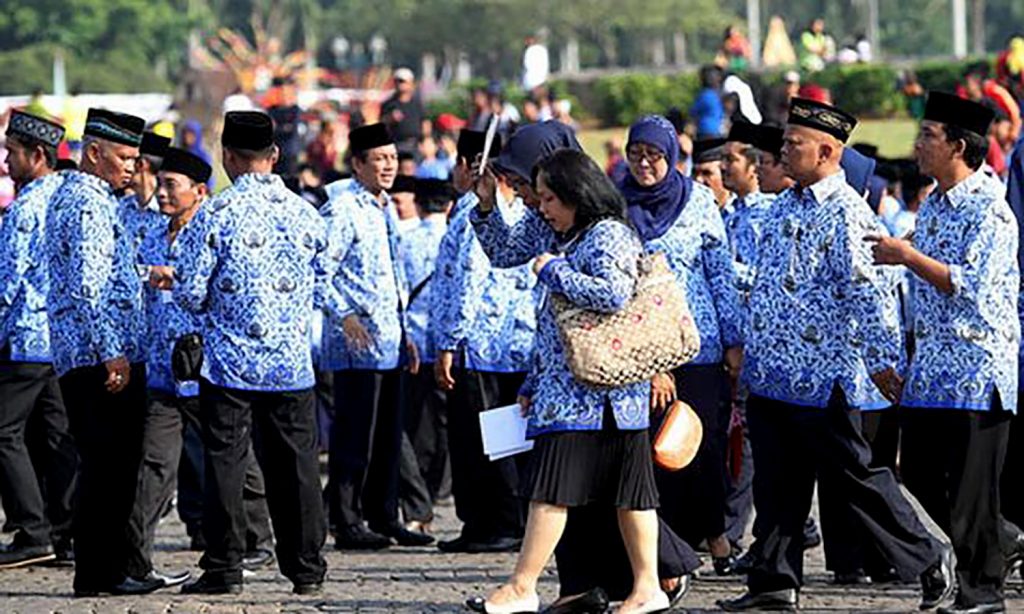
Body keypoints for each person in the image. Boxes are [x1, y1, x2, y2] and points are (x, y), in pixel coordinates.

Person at [717, 99, 955, 612]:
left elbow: (869, 294)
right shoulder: (782, 205)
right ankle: (774, 582)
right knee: (777, 485)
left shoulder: (848, 213)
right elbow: (768, 281)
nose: (783, 151)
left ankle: (928, 555)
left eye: (793, 144)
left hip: (824, 374)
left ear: (826, 152)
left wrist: (884, 361)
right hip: (773, 371)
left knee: (855, 478)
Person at [468, 147, 668, 614]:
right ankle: (644, 587)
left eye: (548, 199)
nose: (542, 209)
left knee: (565, 491)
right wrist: (486, 205)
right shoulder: (568, 234)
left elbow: (613, 294)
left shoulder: (608, 235)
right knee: (619, 496)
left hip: (597, 395)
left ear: (575, 194)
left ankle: (526, 586)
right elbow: (505, 253)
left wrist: (554, 271)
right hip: (575, 392)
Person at [869, 92, 1020, 614]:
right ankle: (1002, 538)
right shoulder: (934, 203)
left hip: (977, 369)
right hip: (932, 367)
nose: (917, 145)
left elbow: (973, 286)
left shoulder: (991, 210)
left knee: (973, 490)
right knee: (919, 473)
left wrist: (908, 256)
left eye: (928, 136)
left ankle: (983, 592)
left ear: (958, 146)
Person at [172, 111, 328, 595]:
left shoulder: (215, 213)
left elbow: (189, 293)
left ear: (227, 157)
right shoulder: (306, 213)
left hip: (229, 364)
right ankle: (306, 570)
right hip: (291, 364)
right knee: (298, 468)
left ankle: (224, 567)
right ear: (274, 155)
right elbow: (323, 287)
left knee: (226, 464)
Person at [620, 115, 743, 574]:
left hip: (699, 345)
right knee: (651, 449)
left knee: (700, 444)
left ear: (672, 157)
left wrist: (733, 341)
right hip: (642, 349)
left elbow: (720, 275)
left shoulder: (698, 202)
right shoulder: (616, 206)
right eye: (636, 155)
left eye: (653, 156)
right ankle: (664, 548)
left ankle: (716, 535)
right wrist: (652, 362)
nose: (644, 165)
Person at [45, 108, 159, 596]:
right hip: (99, 358)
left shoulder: (79, 195)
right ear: (94, 152)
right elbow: (89, 287)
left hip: (88, 352)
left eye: (135, 159)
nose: (132, 167)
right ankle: (100, 573)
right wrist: (113, 353)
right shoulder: (89, 204)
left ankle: (104, 570)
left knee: (107, 466)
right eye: (124, 157)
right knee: (109, 469)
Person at [321, 123, 431, 550]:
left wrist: (406, 335)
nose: (388, 166)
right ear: (357, 164)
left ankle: (384, 515)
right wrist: (343, 315)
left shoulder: (384, 207)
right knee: (354, 438)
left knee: (387, 437)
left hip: (390, 341)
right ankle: (346, 520)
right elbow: (319, 272)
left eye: (392, 158)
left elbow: (393, 277)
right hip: (356, 346)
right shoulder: (342, 208)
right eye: (379, 159)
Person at [431, 129, 537, 555]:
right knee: (509, 438)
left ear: (466, 166)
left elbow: (467, 282)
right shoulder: (524, 211)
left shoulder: (472, 213)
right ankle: (501, 520)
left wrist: (448, 342)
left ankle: (497, 523)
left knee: (483, 443)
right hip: (518, 345)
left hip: (480, 346)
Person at [122, 147, 213, 590]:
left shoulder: (213, 233)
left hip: (207, 370)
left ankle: (245, 545)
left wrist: (175, 278)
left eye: (171, 186)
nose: (161, 193)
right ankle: (135, 561)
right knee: (155, 465)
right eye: (159, 184)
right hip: (162, 370)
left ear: (199, 192)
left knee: (230, 461)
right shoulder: (153, 235)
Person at [0, 111, 76, 570]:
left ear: (38, 155)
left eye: (12, 153)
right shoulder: (65, 197)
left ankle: (32, 530)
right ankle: (65, 532)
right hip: (59, 339)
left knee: (3, 432)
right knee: (56, 435)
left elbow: (6, 284)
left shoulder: (25, 209)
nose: (6, 162)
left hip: (27, 337)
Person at [396, 178, 453, 533]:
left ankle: (418, 499)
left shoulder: (405, 241)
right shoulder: (457, 238)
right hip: (448, 346)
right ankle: (438, 487)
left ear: (418, 205)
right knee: (445, 422)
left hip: (414, 344)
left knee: (413, 423)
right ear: (449, 206)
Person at [120, 132, 170, 260]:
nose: (123, 167)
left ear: (141, 165)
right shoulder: (121, 207)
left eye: (128, 160)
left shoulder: (169, 213)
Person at [381, 68, 428, 154]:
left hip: (415, 145)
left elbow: (425, 123)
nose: (400, 84)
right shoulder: (388, 104)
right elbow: (381, 124)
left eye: (403, 81)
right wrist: (390, 118)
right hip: (396, 145)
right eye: (398, 81)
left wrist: (425, 140)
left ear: (411, 83)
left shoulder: (417, 104)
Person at [692, 138, 733, 215]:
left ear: (725, 174)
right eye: (694, 173)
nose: (698, 179)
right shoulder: (691, 213)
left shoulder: (742, 211)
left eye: (706, 173)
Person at [690, 66, 725, 139]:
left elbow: (693, 111)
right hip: (717, 129)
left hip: (705, 130)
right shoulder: (717, 94)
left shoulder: (704, 95)